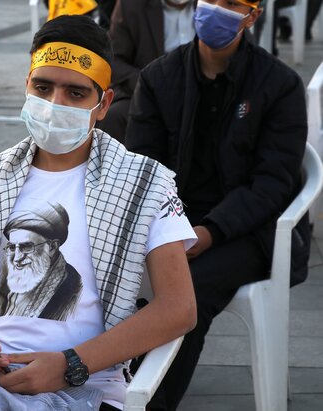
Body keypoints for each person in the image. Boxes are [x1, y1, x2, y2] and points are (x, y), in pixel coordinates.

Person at [0, 15, 198, 411]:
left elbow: (179, 308)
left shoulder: (145, 183)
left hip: (87, 384)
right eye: (43, 87)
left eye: (75, 93)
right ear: (26, 86)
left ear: (103, 103)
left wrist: (70, 364)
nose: (55, 105)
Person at [125, 0, 310, 409]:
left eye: (231, 3)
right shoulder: (160, 77)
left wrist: (209, 232)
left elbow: (273, 184)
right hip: (171, 222)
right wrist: (169, 229)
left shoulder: (278, 85)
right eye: (210, 0)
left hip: (248, 231)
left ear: (252, 15)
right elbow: (141, 167)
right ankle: (104, 385)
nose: (215, 10)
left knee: (189, 290)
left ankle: (145, 400)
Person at [96, 0, 195, 141]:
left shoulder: (214, 6)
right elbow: (114, 60)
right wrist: (150, 84)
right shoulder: (130, 5)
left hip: (201, 91)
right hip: (147, 93)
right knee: (114, 116)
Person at [0, 204, 83, 321]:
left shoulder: (75, 289)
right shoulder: (7, 284)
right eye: (12, 247)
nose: (17, 258)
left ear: (52, 247)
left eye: (26, 247)